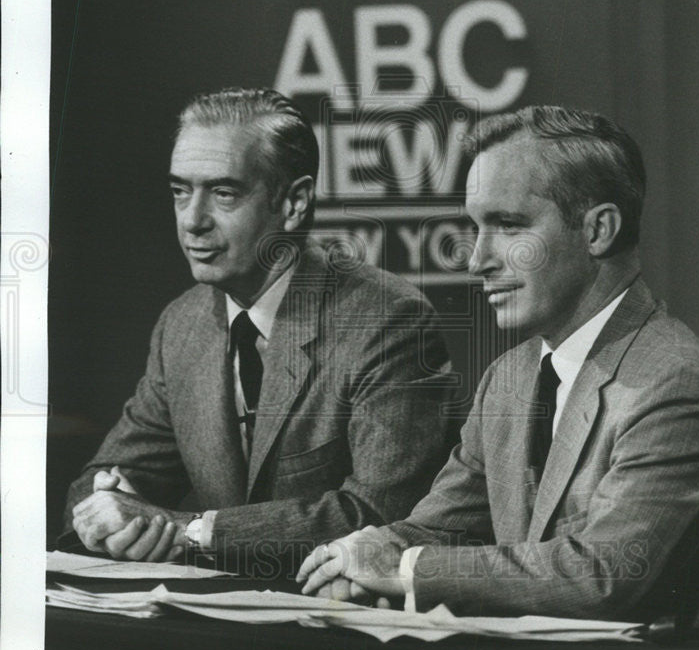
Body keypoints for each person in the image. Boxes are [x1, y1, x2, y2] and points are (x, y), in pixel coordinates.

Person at [298, 105, 699, 641]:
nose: (477, 260)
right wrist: (359, 552)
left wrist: (403, 568)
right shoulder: (508, 377)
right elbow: (440, 531)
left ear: (598, 230)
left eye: (508, 225)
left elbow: (603, 577)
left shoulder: (674, 380)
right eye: (475, 227)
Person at [64, 88, 453, 574]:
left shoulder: (386, 319)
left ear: (293, 203)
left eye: (223, 193)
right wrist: (109, 513)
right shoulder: (182, 325)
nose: (192, 220)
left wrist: (190, 531)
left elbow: (383, 514)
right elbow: (104, 477)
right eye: (180, 191)